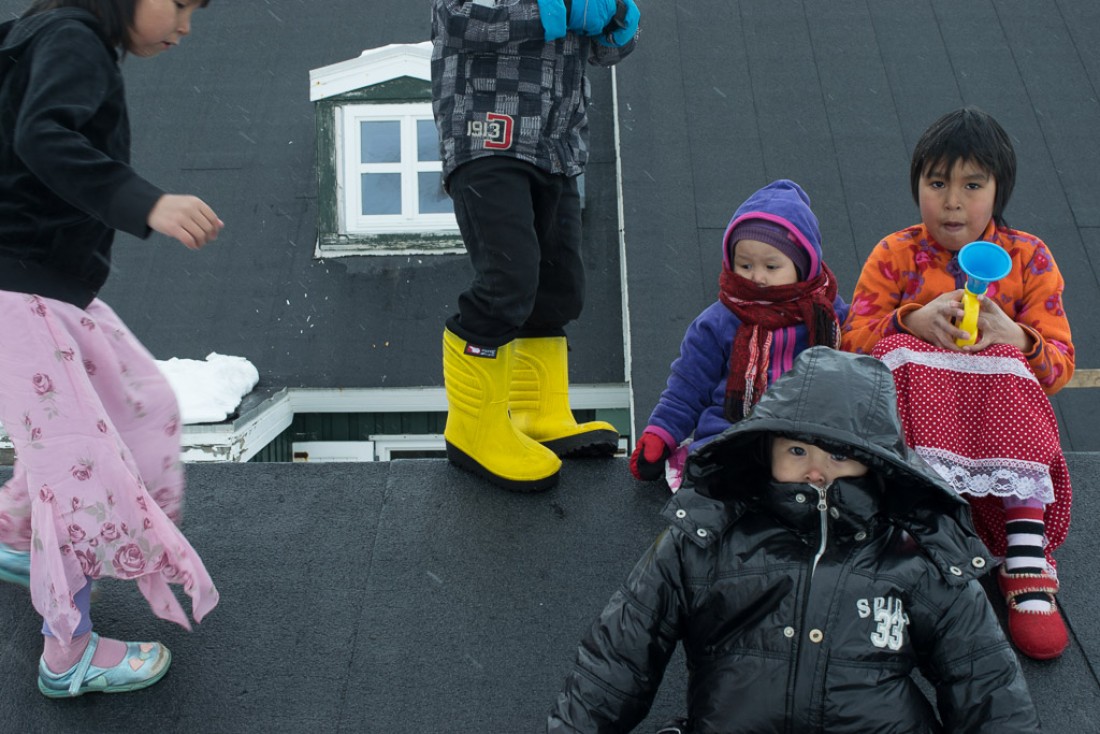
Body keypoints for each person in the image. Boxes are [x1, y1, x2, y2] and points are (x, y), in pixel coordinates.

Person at [547, 347, 1039, 733]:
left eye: (841, 455)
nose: (817, 470)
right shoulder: (705, 537)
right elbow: (619, 656)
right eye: (798, 449)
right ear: (765, 449)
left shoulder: (917, 555)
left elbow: (985, 683)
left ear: (878, 464)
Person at [0, 0, 221, 698]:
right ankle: (68, 655)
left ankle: (13, 534)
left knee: (142, 400)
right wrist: (142, 201)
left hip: (51, 285)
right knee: (80, 468)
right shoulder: (71, 38)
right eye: (180, 3)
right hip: (19, 287)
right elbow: (43, 137)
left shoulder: (47, 32)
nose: (186, 26)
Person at [842, 106, 1074, 660]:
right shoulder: (896, 253)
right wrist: (908, 320)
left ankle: (1024, 558)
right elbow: (848, 345)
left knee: (1012, 362)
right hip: (917, 444)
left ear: (999, 191)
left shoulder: (1029, 256)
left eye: (972, 185)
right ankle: (909, 530)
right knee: (896, 347)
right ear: (917, 185)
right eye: (937, 182)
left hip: (998, 436)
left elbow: (1060, 366)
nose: (951, 201)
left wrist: (1015, 338)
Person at [431, 0, 640, 492]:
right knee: (508, 281)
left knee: (559, 286)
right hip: (487, 136)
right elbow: (458, 20)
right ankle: (473, 430)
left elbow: (605, 53)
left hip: (556, 144)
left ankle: (538, 414)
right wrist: (553, 10)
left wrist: (617, 23)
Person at [629, 179, 848, 490]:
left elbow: (865, 369)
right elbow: (688, 386)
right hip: (732, 432)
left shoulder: (834, 317)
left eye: (772, 266)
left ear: (804, 266)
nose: (757, 277)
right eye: (745, 265)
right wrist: (661, 433)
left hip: (810, 439)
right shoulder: (718, 321)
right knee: (730, 485)